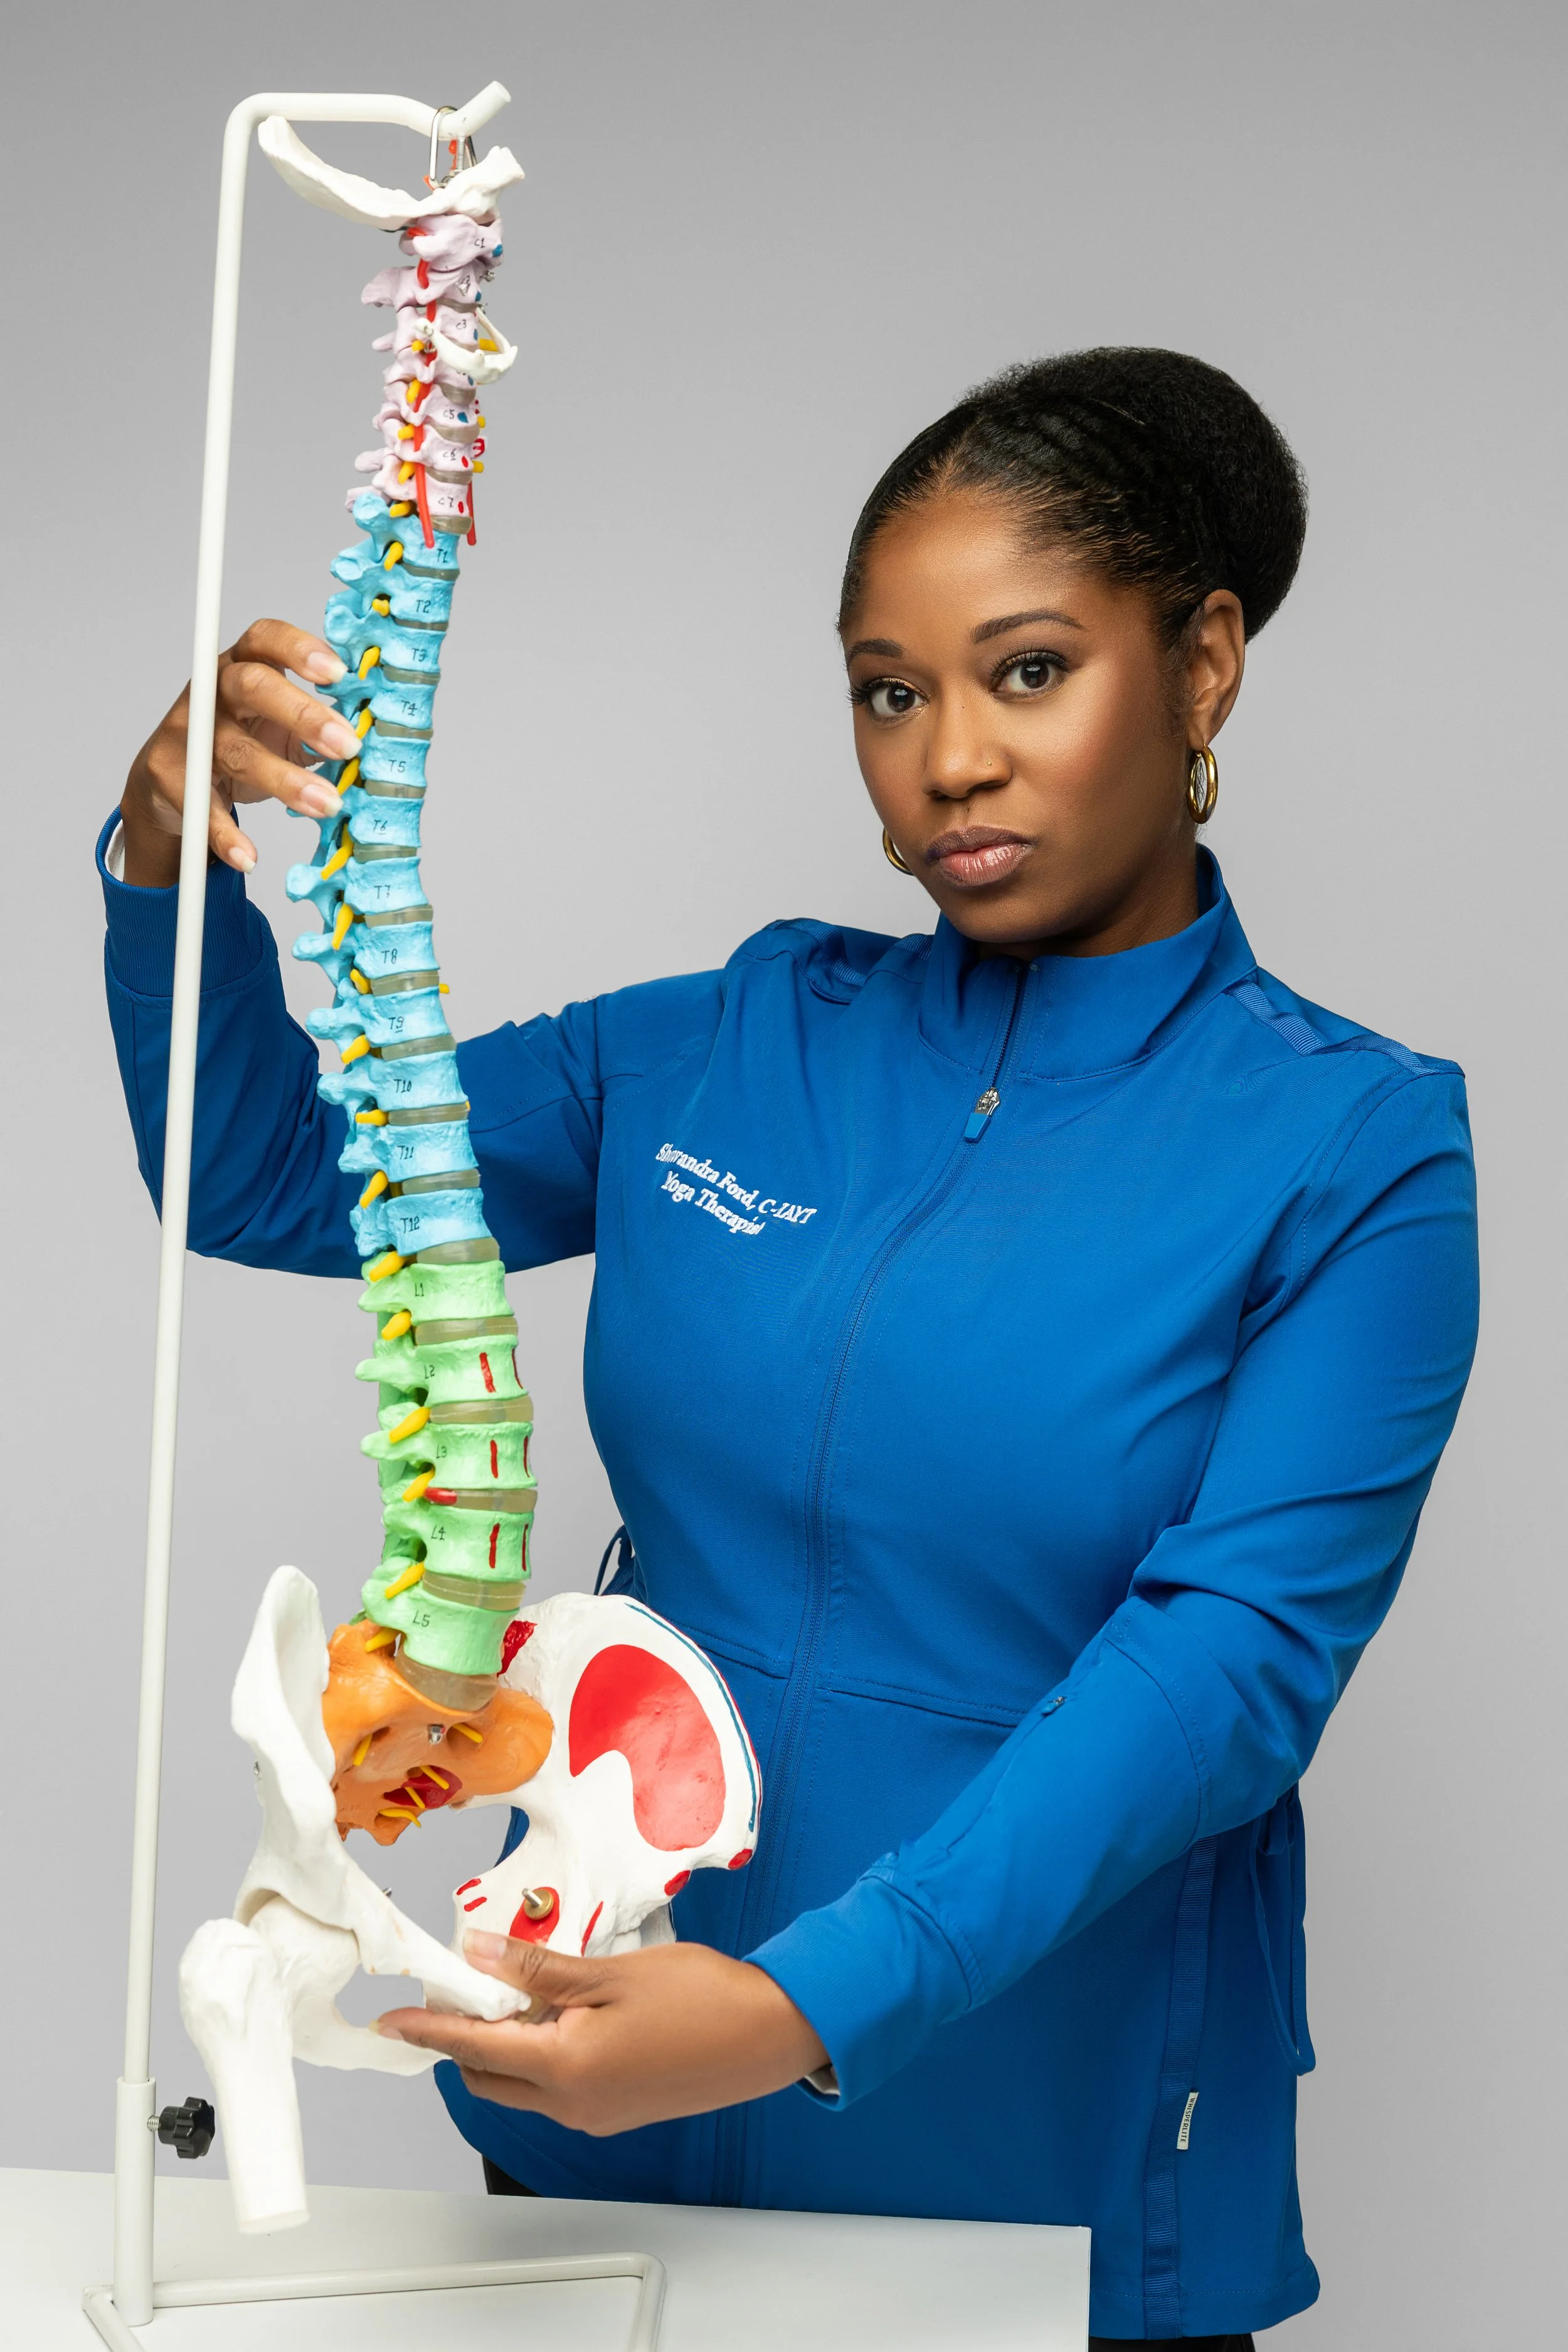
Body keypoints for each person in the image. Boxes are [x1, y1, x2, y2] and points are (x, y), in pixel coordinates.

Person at [103, 348, 1478, 2346]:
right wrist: (169, 861)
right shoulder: (728, 1039)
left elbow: (1229, 1663)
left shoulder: (1351, 1144)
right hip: (596, 2106)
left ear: (1200, 668)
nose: (947, 762)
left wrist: (800, 2006)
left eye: (1026, 672)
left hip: (1032, 2175)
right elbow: (268, 1175)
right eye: (887, 690)